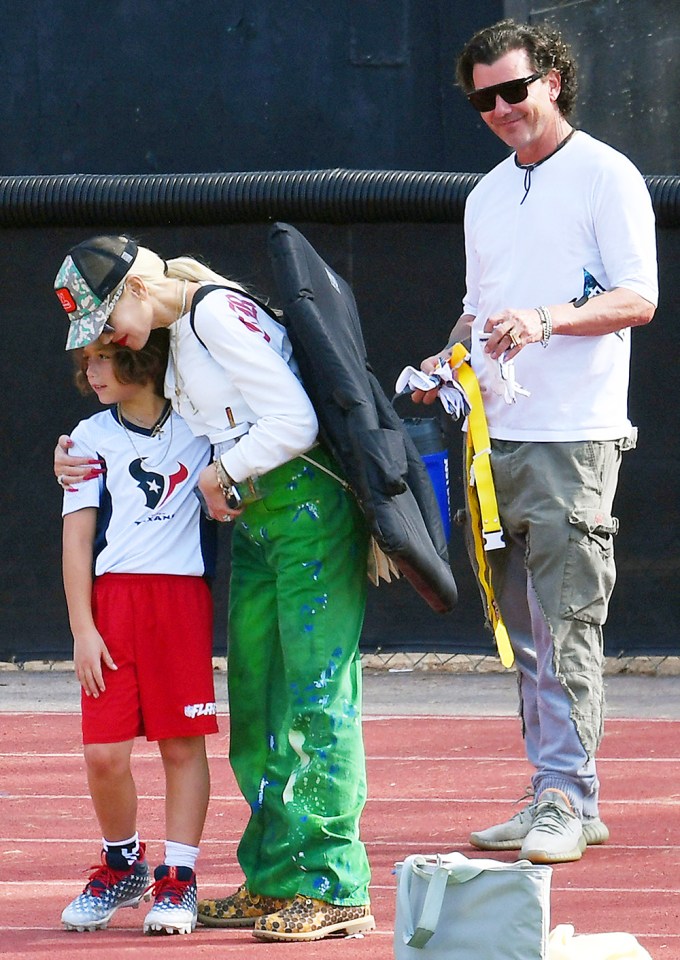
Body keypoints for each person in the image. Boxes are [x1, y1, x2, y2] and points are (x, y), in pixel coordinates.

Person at [53, 235, 375, 942]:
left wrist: (218, 475)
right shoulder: (179, 326)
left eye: (106, 324)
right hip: (260, 517)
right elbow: (151, 433)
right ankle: (274, 878)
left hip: (306, 508)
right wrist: (71, 453)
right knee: (258, 701)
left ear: (136, 288)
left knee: (317, 698)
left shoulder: (212, 315)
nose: (108, 343)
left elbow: (296, 421)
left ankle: (334, 886)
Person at [412, 19, 658, 863]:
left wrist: (548, 319)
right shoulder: (486, 195)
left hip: (573, 438)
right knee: (522, 630)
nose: (501, 109)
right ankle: (553, 787)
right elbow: (480, 316)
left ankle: (567, 795)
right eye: (483, 99)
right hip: (494, 441)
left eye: (514, 90)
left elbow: (638, 298)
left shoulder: (605, 175)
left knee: (567, 622)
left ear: (553, 79)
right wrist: (445, 361)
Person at [58, 329, 219, 935]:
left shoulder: (202, 427)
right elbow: (77, 539)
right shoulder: (89, 439)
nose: (93, 372)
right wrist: (82, 629)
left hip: (179, 601)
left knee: (182, 745)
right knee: (103, 754)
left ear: (142, 359)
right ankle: (123, 864)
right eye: (88, 362)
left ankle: (178, 880)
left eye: (104, 358)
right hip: (113, 603)